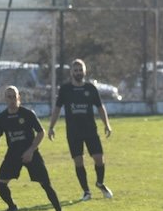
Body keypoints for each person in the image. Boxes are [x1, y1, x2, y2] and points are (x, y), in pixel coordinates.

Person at [0, 86, 66, 211]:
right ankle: (12, 206)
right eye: (8, 97)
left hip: (31, 153)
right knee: (0, 183)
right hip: (13, 154)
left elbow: (41, 132)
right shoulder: (2, 117)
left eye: (14, 96)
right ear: (5, 99)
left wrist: (31, 150)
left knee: (46, 184)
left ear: (19, 98)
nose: (12, 100)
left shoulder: (27, 114)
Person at [47, 58, 114, 200]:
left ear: (84, 71)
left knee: (99, 159)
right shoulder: (65, 90)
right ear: (71, 72)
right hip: (73, 132)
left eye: (80, 70)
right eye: (75, 70)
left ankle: (100, 183)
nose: (78, 72)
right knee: (78, 161)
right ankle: (86, 191)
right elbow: (57, 109)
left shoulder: (90, 88)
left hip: (90, 130)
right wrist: (51, 127)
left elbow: (100, 107)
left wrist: (107, 124)